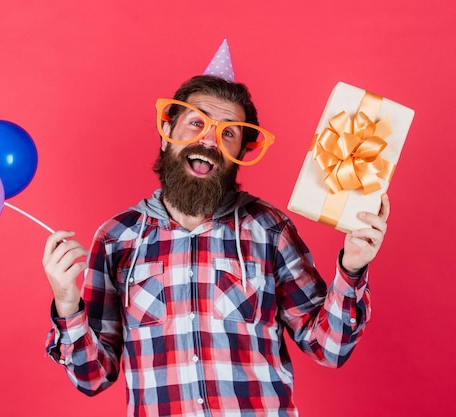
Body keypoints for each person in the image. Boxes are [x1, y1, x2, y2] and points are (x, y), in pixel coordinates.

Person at [42, 42, 389, 417]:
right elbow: (93, 377)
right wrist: (66, 302)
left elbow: (329, 347)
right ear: (165, 130)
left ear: (239, 153)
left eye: (228, 134)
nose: (209, 140)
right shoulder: (115, 239)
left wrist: (352, 268)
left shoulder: (269, 230)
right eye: (197, 122)